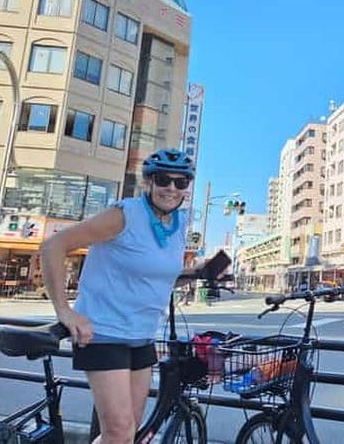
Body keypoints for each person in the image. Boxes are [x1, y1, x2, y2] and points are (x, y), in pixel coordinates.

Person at [41, 148, 222, 444]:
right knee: (118, 430)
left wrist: (199, 272)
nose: (172, 189)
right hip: (103, 333)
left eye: (181, 183)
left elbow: (157, 276)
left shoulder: (177, 225)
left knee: (131, 432)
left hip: (142, 335)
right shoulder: (124, 214)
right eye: (164, 179)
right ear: (149, 182)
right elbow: (54, 246)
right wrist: (65, 311)